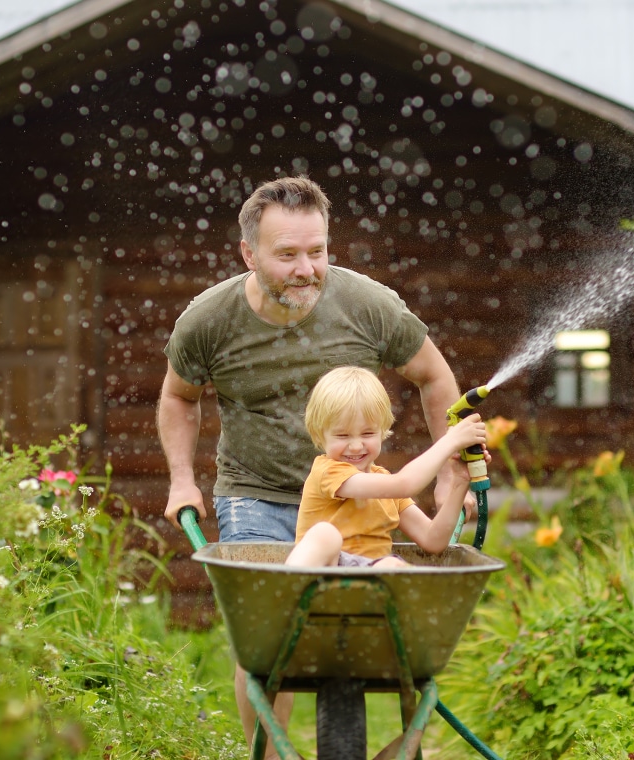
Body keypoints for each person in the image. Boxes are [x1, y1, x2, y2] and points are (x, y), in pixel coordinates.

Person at [156, 175, 470, 756]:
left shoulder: (366, 305)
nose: (306, 269)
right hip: (255, 494)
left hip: (356, 501)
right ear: (248, 254)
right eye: (287, 255)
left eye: (317, 251)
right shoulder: (210, 320)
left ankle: (402, 746)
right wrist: (181, 479)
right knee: (266, 640)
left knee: (385, 629)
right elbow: (179, 396)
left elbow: (433, 376)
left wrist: (453, 474)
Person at [287, 366, 486, 569]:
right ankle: (289, 582)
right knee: (324, 534)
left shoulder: (386, 486)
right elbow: (405, 484)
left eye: (367, 434)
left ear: (382, 430)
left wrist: (460, 481)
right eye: (342, 435)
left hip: (369, 577)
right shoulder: (328, 472)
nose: (355, 446)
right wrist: (450, 441)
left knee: (392, 564)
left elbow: (432, 540)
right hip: (324, 573)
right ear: (320, 434)